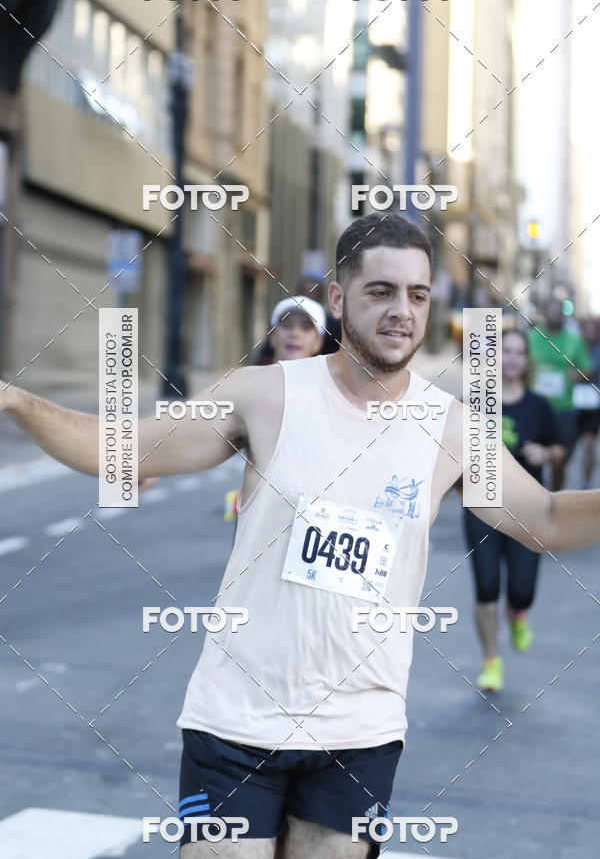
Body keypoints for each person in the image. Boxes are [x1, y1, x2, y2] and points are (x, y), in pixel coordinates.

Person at [3, 212, 600, 859]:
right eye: (381, 291)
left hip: (359, 734)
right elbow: (124, 451)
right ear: (338, 301)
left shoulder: (451, 429)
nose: (402, 310)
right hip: (234, 721)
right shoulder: (263, 395)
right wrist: (17, 402)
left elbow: (543, 520)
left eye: (418, 295)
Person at [463, 329, 566, 692]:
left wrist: (548, 454)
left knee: (522, 590)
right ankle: (491, 661)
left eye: (519, 352)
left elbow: (559, 448)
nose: (512, 358)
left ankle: (518, 612)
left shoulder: (539, 405)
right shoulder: (476, 401)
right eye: (505, 351)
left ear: (527, 360)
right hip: (482, 507)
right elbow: (453, 447)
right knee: (487, 586)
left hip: (527, 509)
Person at [225, 296, 325, 520]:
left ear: (318, 342)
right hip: (257, 515)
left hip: (310, 518)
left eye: (305, 327)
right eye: (287, 325)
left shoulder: (332, 394)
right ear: (272, 335)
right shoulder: (246, 387)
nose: (294, 333)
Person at [527, 298, 593, 490]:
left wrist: (578, 375)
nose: (554, 314)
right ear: (544, 312)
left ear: (563, 315)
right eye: (551, 310)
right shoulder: (532, 337)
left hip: (562, 409)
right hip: (535, 407)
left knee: (560, 460)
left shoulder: (574, 339)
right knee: (531, 459)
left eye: (558, 311)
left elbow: (588, 370)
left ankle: (555, 497)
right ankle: (533, 498)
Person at [577, 317, 600, 488]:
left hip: (593, 405)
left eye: (594, 329)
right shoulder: (575, 347)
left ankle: (585, 480)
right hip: (574, 403)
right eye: (587, 328)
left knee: (588, 444)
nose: (590, 332)